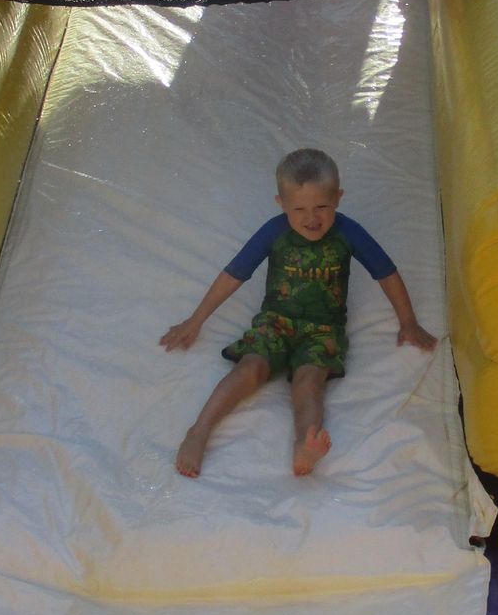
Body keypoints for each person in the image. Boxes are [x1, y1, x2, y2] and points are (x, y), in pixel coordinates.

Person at [162, 148, 437, 479]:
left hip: (323, 330)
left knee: (309, 383)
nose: (312, 218)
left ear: (338, 198)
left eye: (322, 206)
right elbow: (235, 274)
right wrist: (196, 320)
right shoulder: (274, 232)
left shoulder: (349, 233)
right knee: (250, 368)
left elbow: (386, 273)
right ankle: (199, 431)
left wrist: (408, 321)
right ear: (281, 204)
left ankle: (304, 445)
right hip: (275, 322)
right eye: (299, 209)